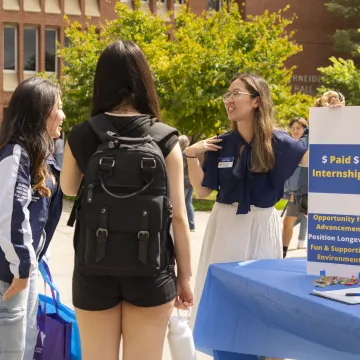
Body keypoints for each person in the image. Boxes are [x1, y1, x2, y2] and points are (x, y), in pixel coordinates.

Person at [60, 40, 193, 360]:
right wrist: (184, 277)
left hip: (94, 267)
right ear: (143, 80)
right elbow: (178, 215)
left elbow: (67, 188)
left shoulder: (82, 134)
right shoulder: (165, 138)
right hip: (153, 269)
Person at [186, 73, 308, 328]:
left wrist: (334, 118)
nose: (228, 100)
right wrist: (191, 156)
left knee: (260, 296)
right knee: (223, 297)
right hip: (225, 224)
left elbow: (320, 159)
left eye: (235, 94)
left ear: (256, 100)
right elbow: (202, 192)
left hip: (262, 224)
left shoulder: (280, 142)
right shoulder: (221, 143)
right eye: (227, 95)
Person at [0, 77, 64, 360]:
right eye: (58, 107)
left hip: (25, 270)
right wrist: (23, 267)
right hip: (11, 273)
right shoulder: (16, 153)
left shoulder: (42, 157)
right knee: (11, 351)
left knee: (24, 348)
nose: (63, 115)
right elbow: (9, 214)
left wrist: (34, 263)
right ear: (40, 111)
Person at [282, 117, 309, 257]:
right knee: (288, 220)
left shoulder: (309, 141)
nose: (295, 131)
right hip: (294, 192)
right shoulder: (291, 145)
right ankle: (282, 252)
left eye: (298, 128)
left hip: (308, 191)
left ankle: (320, 250)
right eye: (293, 129)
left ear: (305, 128)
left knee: (314, 220)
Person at [179, 134, 195, 232]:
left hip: (184, 181)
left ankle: (185, 224)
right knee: (188, 202)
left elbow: (180, 167)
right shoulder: (189, 151)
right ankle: (191, 224)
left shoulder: (182, 154)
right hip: (191, 181)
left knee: (182, 203)